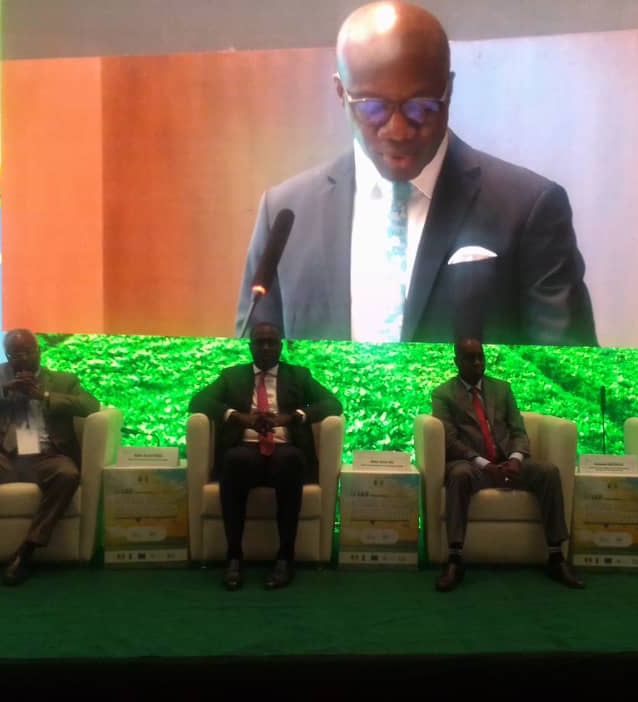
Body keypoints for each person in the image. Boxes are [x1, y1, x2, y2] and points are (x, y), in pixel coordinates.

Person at [235, 1, 596, 347]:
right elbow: (253, 369)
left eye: (421, 107)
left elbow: (567, 371)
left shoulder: (528, 208)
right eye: (373, 108)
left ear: (448, 91)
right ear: (341, 93)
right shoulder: (286, 213)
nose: (398, 130)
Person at [189, 322, 343, 590]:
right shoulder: (232, 376)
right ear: (250, 347)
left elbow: (333, 404)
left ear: (281, 347)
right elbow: (198, 401)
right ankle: (234, 557)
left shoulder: (299, 376)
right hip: (246, 448)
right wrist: (239, 417)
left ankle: (285, 558)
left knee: (289, 461)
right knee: (234, 461)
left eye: (272, 342)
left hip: (285, 447)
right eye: (260, 342)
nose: (266, 347)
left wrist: (292, 417)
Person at [0, 329, 101, 588]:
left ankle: (26, 552)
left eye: (29, 352)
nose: (24, 358)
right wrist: (3, 389)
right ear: (7, 356)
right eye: (15, 354)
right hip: (1, 457)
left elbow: (90, 406)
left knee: (68, 475)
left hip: (46, 456)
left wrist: (45, 397)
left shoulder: (63, 380)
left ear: (39, 351)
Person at [430, 337, 585, 592]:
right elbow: (450, 440)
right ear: (457, 361)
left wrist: (515, 459)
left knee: (548, 472)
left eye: (480, 356)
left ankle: (556, 557)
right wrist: (483, 464)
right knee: (458, 476)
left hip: (508, 463)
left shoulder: (502, 389)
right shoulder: (443, 394)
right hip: (473, 466)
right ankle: (455, 560)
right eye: (470, 358)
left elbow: (518, 431)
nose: (477, 362)